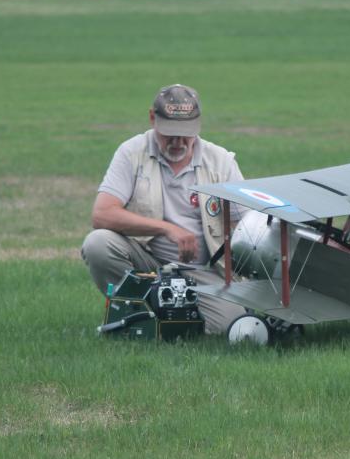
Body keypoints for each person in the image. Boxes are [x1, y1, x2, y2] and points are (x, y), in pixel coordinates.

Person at [81, 84, 247, 334]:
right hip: (147, 264)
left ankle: (160, 319)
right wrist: (167, 229)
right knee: (98, 244)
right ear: (152, 118)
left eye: (186, 134)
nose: (178, 142)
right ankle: (139, 313)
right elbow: (102, 214)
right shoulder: (131, 152)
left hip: (202, 272)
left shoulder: (221, 161)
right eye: (169, 133)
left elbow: (248, 223)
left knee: (230, 325)